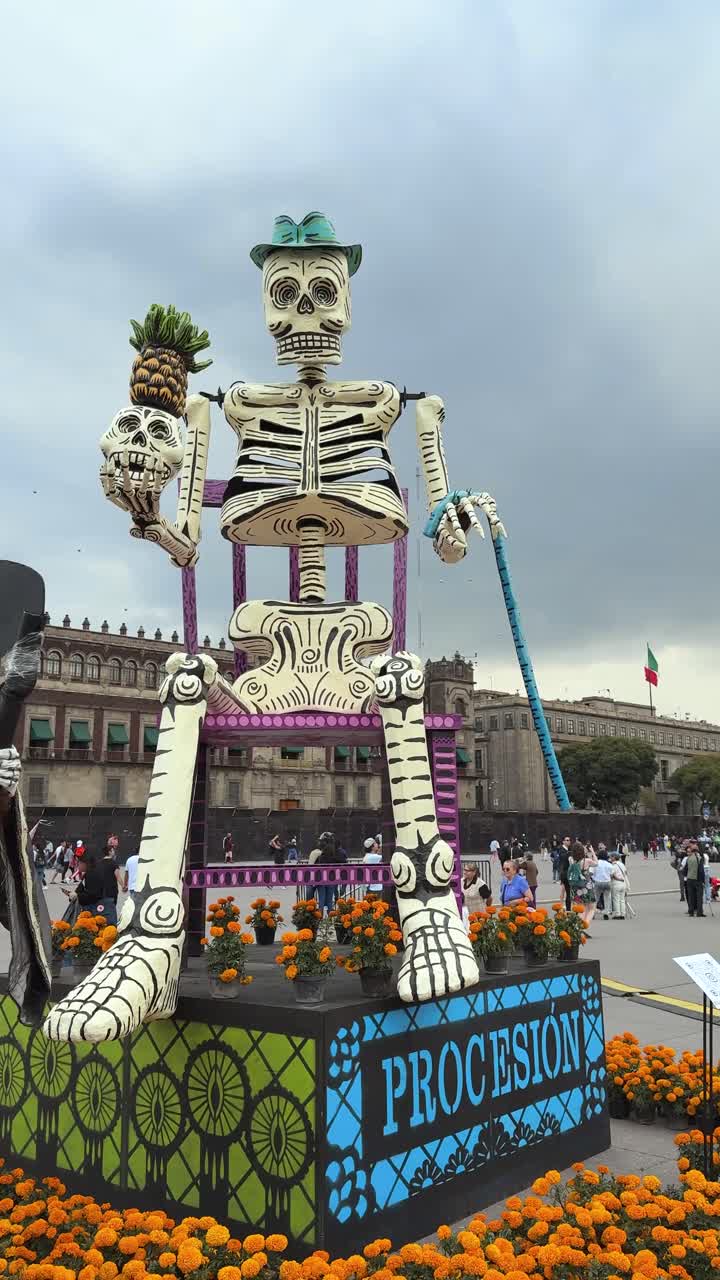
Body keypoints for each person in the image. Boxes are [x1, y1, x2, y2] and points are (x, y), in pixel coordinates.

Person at [568, 842, 595, 929]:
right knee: (591, 907)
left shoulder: (571, 860)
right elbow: (596, 863)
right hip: (586, 885)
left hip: (576, 886)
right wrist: (592, 852)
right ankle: (585, 924)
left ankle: (578, 927)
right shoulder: (587, 861)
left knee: (581, 908)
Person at [101, 841, 123, 926]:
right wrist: (123, 886)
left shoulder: (99, 863)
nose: (114, 852)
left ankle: (103, 923)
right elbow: (118, 876)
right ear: (110, 852)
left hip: (102, 890)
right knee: (112, 907)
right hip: (112, 890)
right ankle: (111, 925)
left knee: (102, 907)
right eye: (113, 850)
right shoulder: (114, 863)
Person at [682, 842, 705, 918]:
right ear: (697, 850)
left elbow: (685, 870)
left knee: (691, 896)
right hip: (697, 879)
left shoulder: (689, 858)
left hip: (689, 879)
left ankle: (691, 912)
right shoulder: (699, 859)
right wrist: (703, 880)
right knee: (699, 896)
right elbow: (701, 871)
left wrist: (687, 875)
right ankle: (699, 912)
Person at [591, 849, 613, 921]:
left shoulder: (596, 863)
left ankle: (592, 913)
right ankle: (606, 913)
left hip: (598, 882)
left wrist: (593, 878)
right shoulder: (609, 864)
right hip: (607, 882)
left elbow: (591, 872)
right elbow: (612, 874)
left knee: (595, 899)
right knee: (607, 898)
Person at [609, 853, 628, 919]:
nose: (610, 858)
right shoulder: (622, 864)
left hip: (616, 883)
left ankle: (617, 914)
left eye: (611, 857)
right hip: (623, 883)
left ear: (614, 857)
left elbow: (611, 875)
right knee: (622, 899)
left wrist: (617, 878)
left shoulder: (613, 865)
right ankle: (623, 914)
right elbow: (626, 872)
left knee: (616, 899)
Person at [558, 835, 573, 910]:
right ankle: (562, 905)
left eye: (569, 840)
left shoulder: (569, 849)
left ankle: (563, 905)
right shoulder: (561, 849)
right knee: (565, 890)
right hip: (564, 872)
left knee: (565, 890)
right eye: (566, 840)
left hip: (567, 872)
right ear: (563, 841)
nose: (568, 841)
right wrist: (568, 853)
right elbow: (562, 857)